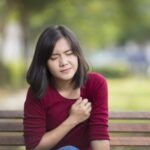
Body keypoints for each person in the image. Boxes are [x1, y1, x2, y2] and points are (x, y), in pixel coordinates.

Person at [23, 25, 110, 150]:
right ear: (44, 63)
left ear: (77, 55)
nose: (64, 62)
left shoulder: (95, 84)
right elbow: (34, 147)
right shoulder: (38, 91)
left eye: (69, 54)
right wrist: (73, 120)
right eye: (54, 58)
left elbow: (100, 136)